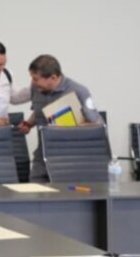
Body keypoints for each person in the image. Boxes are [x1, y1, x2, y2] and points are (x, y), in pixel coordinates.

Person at [17, 54, 102, 182]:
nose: (33, 83)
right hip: (42, 154)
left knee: (63, 195)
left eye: (36, 79)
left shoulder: (79, 91)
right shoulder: (36, 88)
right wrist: (29, 123)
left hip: (68, 158)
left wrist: (65, 128)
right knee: (34, 191)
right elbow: (39, 111)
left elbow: (97, 124)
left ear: (53, 77)